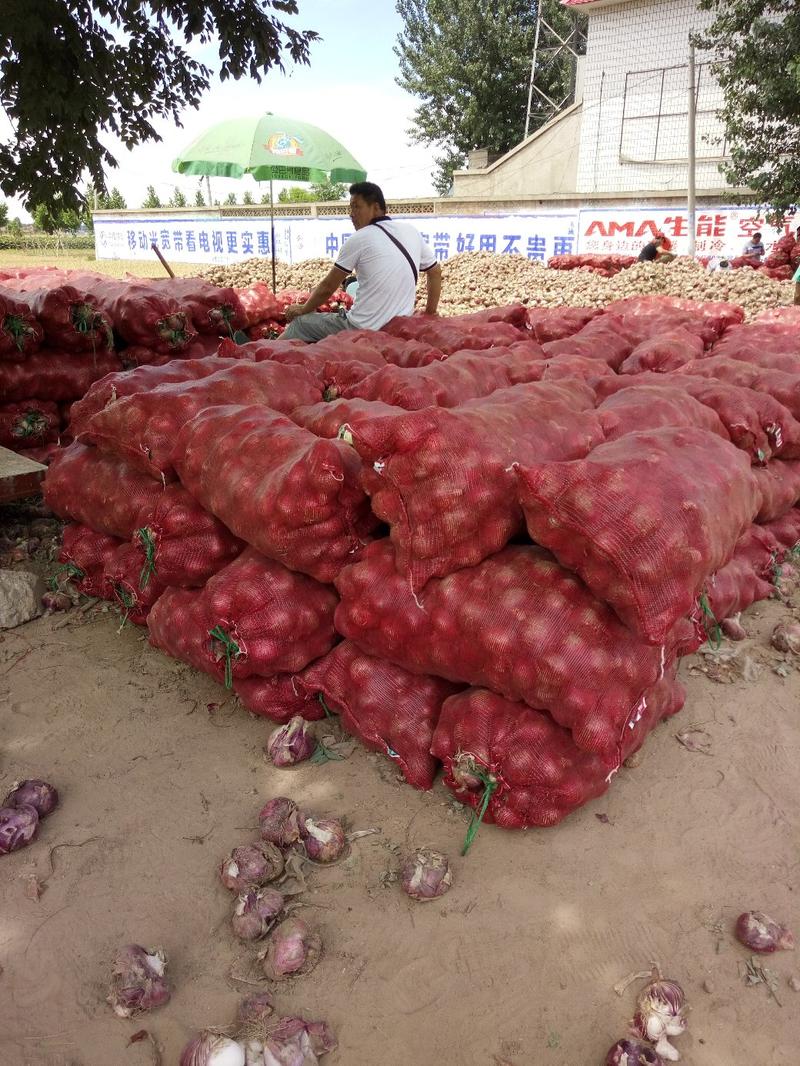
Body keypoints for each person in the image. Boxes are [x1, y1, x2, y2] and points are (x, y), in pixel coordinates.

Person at [283, 182, 442, 341]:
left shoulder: (359, 238)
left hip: (361, 328)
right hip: (399, 326)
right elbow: (434, 272)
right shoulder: (410, 231)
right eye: (350, 208)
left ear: (376, 207)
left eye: (356, 207)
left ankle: (261, 359)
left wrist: (304, 309)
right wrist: (429, 313)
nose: (351, 214)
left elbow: (328, 287)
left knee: (300, 324)